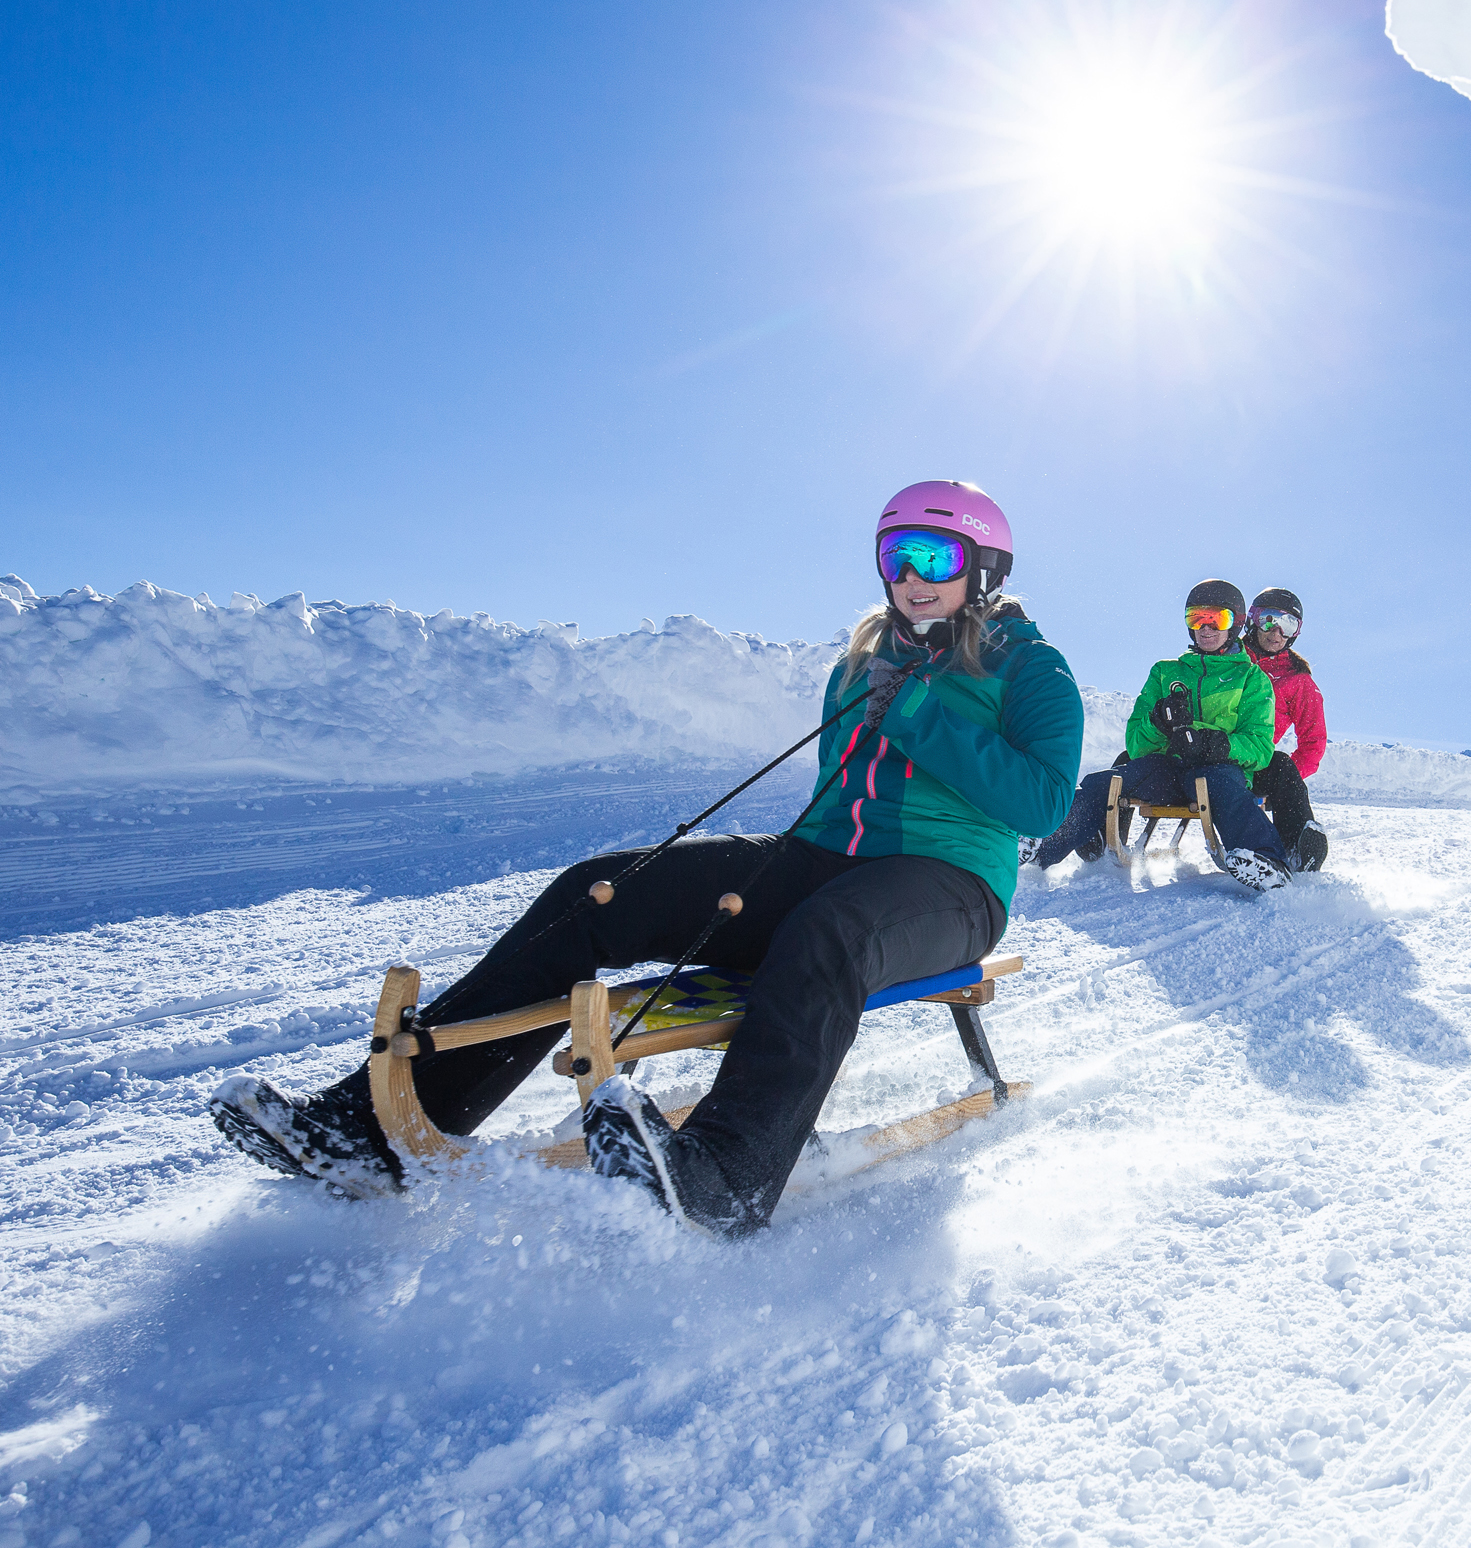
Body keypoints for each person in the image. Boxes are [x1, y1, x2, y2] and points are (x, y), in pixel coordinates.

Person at [208, 479, 1083, 1236]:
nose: (909, 579)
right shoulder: (866, 658)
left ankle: (727, 1176)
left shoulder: (1031, 667)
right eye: (895, 555)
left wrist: (922, 718)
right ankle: (373, 1133)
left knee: (831, 932)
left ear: (985, 569)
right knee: (598, 892)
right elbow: (839, 794)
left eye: (933, 558)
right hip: (824, 860)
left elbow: (1042, 804)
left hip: (951, 886)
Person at [1025, 578, 1293, 892]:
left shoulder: (1252, 679)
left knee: (1225, 790)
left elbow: (1260, 748)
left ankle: (1268, 862)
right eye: (1196, 618)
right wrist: (1157, 721)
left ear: (1235, 624)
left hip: (1217, 769)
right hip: (1167, 768)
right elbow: (1135, 744)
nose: (1205, 628)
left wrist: (1214, 743)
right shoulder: (1165, 672)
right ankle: (1039, 844)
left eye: (1217, 619)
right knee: (1106, 782)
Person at [1243, 586, 1330, 871]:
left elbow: (1313, 742)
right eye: (1269, 619)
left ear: (1295, 632)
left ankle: (1298, 847)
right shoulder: (1228, 657)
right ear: (1253, 619)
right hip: (1207, 750)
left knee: (1281, 765)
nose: (1276, 631)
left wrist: (1283, 786)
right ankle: (1101, 845)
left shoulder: (1297, 681)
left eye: (1287, 624)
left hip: (1252, 764)